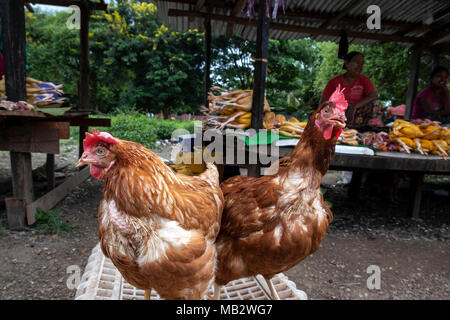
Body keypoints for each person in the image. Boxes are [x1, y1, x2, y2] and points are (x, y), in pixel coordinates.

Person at [320, 51, 379, 127]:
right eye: (357, 62)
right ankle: (336, 126)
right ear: (347, 63)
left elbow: (374, 95)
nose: (360, 66)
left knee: (377, 104)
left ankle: (370, 128)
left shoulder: (364, 80)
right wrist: (336, 108)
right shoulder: (334, 82)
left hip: (357, 114)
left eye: (362, 64)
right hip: (338, 115)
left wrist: (354, 106)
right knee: (326, 110)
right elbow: (322, 102)